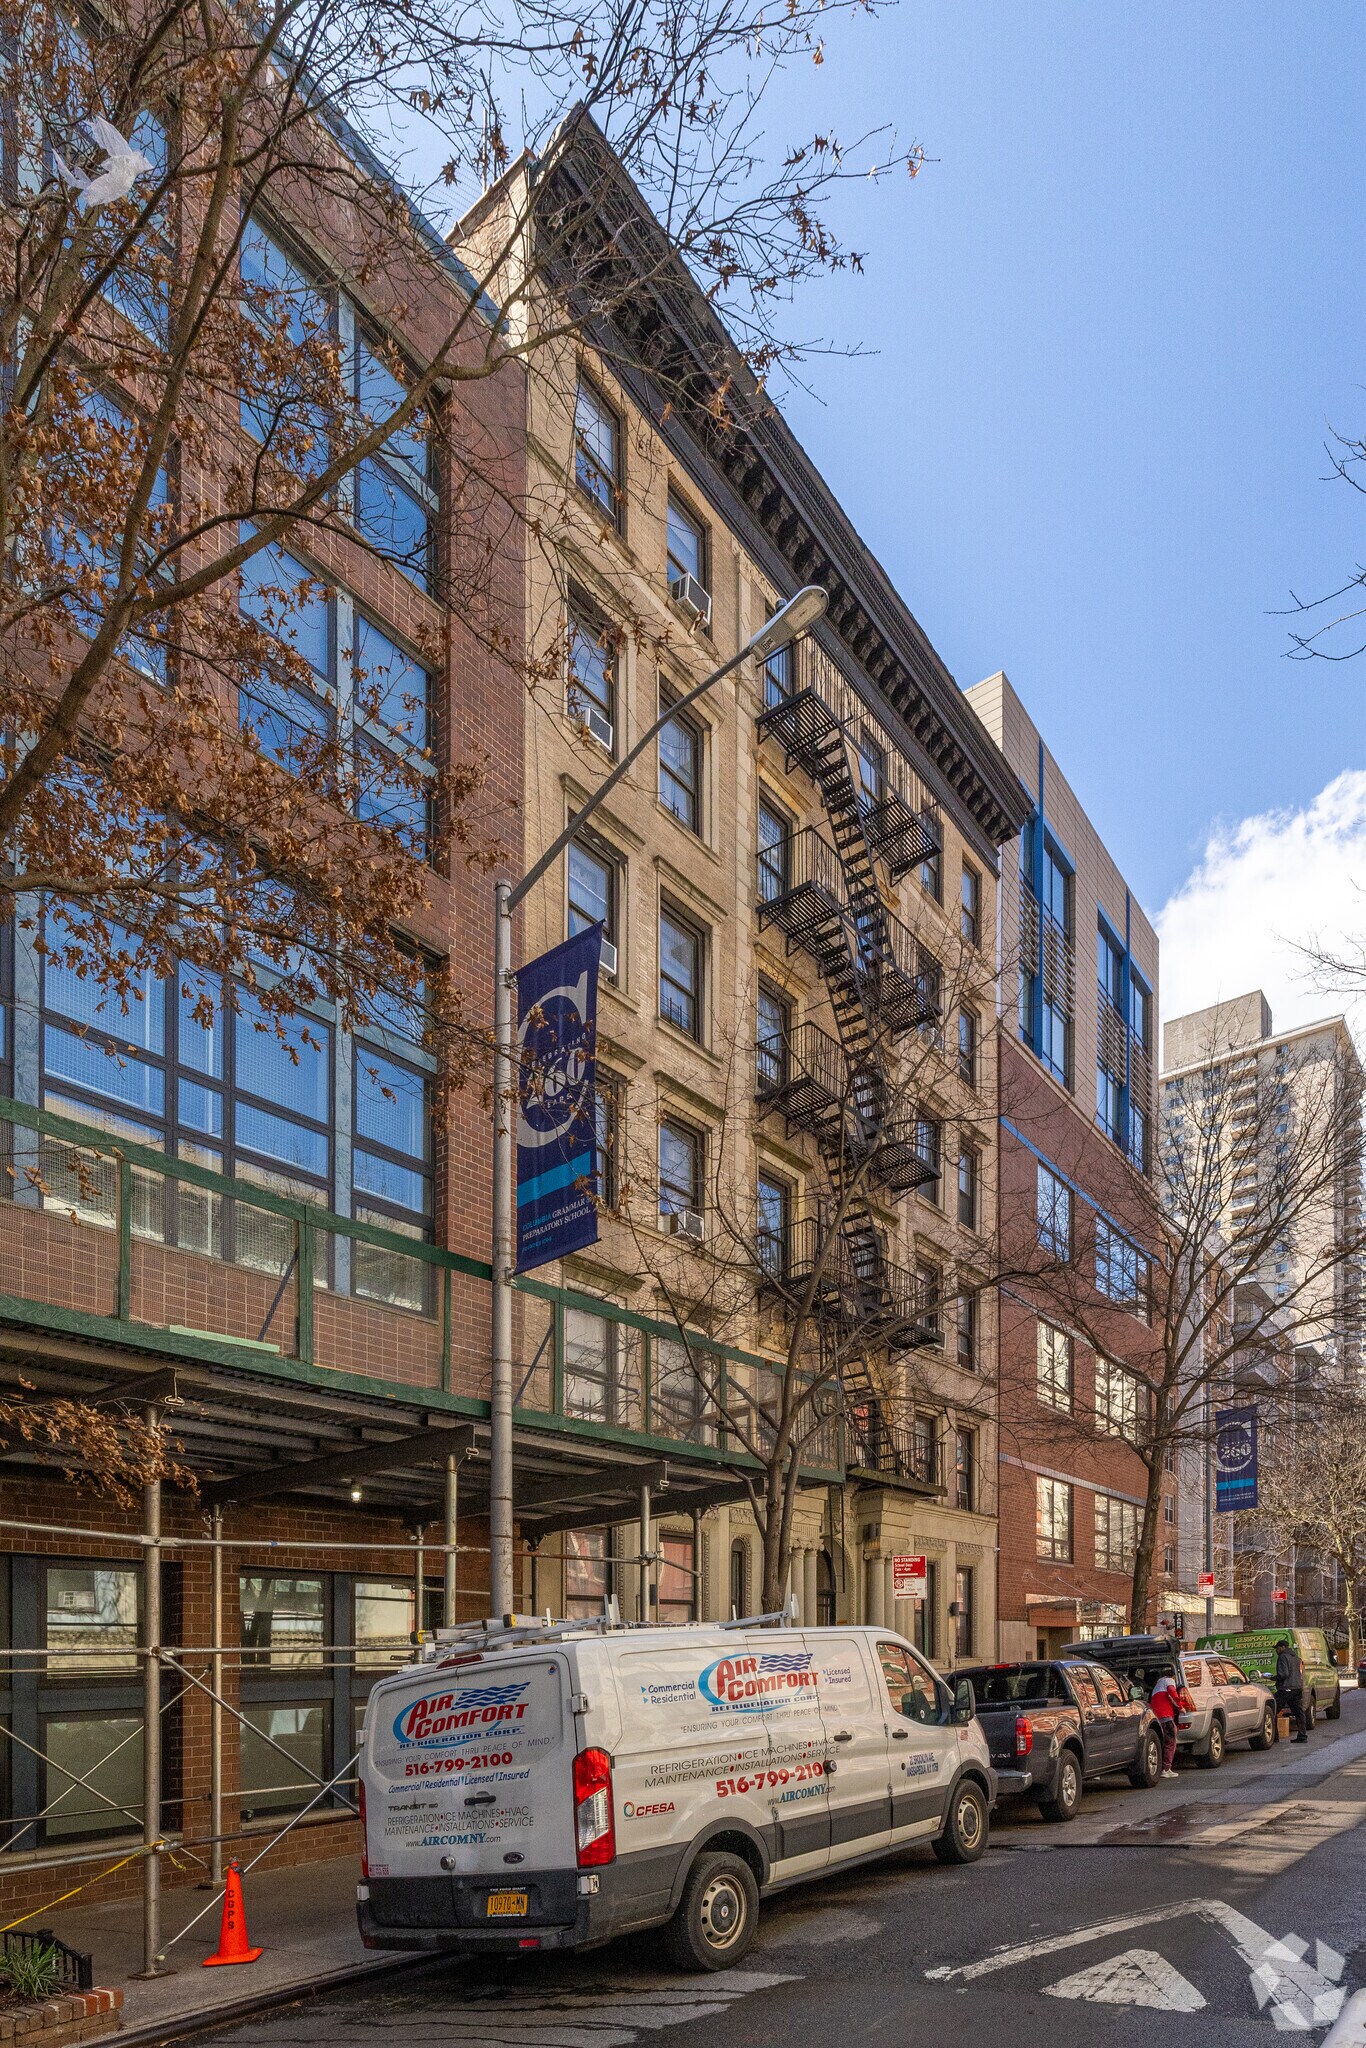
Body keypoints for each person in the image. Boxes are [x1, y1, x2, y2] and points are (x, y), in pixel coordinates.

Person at [1275, 1636, 1309, 1743]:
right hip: (1297, 1688)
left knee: (1272, 1709)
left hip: (1286, 1688)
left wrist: (1273, 1678)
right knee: (1299, 1712)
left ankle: (1274, 1737)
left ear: (1283, 1647)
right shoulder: (1296, 1657)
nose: (1276, 1650)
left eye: (1277, 1648)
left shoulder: (1283, 1657)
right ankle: (1302, 1736)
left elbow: (1283, 1674)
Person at [1149, 1670, 1181, 1779]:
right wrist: (1180, 1705)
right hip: (1166, 1716)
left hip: (1158, 1717)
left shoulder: (1157, 1686)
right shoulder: (1169, 1680)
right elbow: (1172, 1692)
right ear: (1173, 1676)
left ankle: (1162, 1767)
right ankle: (1166, 1769)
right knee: (1171, 1742)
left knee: (1164, 1743)